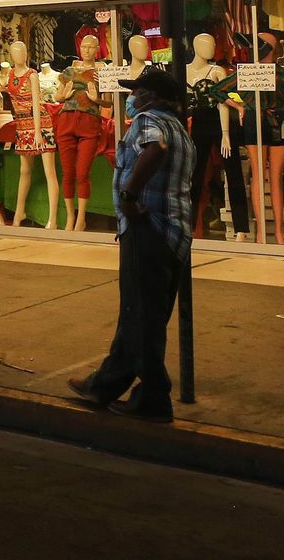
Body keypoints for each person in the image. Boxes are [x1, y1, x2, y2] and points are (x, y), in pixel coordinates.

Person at [67, 68, 195, 422]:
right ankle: (105, 384)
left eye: (137, 92)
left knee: (142, 316)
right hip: (172, 234)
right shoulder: (180, 128)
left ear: (151, 96)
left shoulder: (148, 120)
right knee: (141, 314)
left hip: (148, 227)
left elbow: (155, 149)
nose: (132, 98)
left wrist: (128, 194)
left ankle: (154, 397)